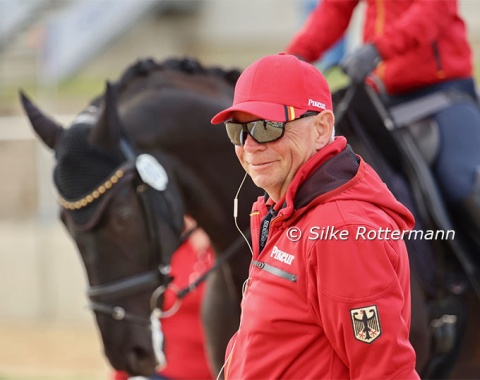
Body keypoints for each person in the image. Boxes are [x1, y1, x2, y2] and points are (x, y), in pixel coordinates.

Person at [210, 53, 419, 379]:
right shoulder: (285, 210)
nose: (249, 145)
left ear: (322, 129)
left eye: (268, 127)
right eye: (238, 130)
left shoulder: (343, 232)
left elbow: (386, 372)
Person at [285, 0, 480, 243]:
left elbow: (435, 8)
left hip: (443, 90)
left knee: (459, 181)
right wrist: (295, 57)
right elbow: (336, 8)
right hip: (382, 93)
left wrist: (378, 49)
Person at [113, 216, 214, 380]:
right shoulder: (168, 254)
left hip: (216, 371)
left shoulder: (229, 254)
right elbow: (139, 316)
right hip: (165, 371)